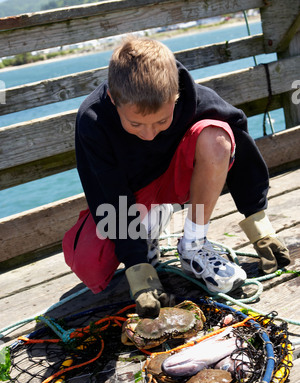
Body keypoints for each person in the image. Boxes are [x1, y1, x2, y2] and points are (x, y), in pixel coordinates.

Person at [63, 36, 290, 317]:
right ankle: (147, 232)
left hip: (179, 179)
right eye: (135, 124)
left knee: (217, 137)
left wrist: (259, 225)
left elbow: (242, 148)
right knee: (88, 263)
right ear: (112, 99)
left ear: (176, 96)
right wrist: (137, 267)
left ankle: (194, 246)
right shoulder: (92, 120)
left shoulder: (197, 98)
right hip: (130, 194)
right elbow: (107, 192)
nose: (149, 134)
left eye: (161, 121)